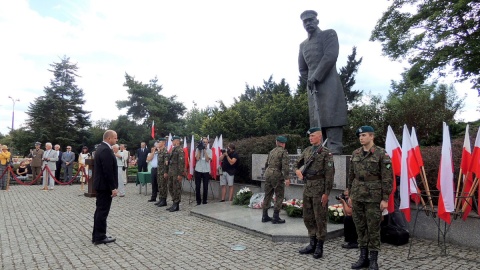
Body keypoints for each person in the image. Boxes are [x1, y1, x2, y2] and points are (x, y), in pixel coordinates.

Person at [298, 10, 348, 155]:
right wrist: (309, 79)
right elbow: (302, 68)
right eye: (305, 21)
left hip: (329, 82)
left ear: (317, 21)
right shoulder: (303, 45)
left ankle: (335, 148)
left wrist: (315, 77)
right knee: (317, 120)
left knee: (332, 114)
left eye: (311, 20)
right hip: (312, 87)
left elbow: (330, 56)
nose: (308, 23)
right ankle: (321, 150)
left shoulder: (329, 34)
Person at [348, 126, 392, 270]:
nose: (361, 138)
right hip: (358, 195)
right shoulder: (355, 153)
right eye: (360, 136)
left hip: (374, 197)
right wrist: (350, 195)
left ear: (372, 136)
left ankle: (373, 260)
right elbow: (351, 176)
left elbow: (387, 178)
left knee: (373, 228)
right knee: (360, 228)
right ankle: (363, 257)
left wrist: (385, 199)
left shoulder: (381, 154)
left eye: (364, 135)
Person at [295, 127, 334, 259]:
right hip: (307, 188)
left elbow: (330, 174)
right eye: (309, 136)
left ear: (319, 137)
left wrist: (326, 193)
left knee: (320, 218)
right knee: (308, 217)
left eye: (312, 136)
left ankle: (319, 246)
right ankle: (312, 243)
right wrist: (298, 172)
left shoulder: (326, 153)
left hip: (319, 189)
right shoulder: (307, 151)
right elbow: (296, 164)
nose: (310, 138)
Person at [92, 130, 118, 245]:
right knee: (102, 211)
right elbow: (108, 171)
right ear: (109, 138)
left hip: (101, 185)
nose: (116, 140)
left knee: (100, 211)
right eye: (115, 138)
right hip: (104, 186)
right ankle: (100, 236)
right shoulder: (106, 150)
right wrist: (113, 187)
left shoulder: (100, 148)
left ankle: (97, 234)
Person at [262, 136, 291, 224]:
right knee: (279, 195)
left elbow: (266, 163)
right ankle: (276, 217)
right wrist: (287, 178)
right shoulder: (283, 152)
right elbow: (285, 166)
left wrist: (267, 173)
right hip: (276, 174)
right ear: (283, 143)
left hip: (268, 173)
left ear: (276, 142)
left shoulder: (272, 151)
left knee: (267, 194)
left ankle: (264, 216)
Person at [166, 136, 185, 212]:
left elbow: (181, 163)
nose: (172, 142)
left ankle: (176, 204)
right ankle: (174, 201)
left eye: (173, 141)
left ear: (177, 141)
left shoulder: (180, 150)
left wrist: (180, 174)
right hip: (171, 172)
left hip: (176, 172)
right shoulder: (173, 149)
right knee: (170, 187)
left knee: (176, 188)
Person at [194, 137, 211, 205]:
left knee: (205, 186)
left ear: (208, 143)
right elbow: (197, 158)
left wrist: (204, 150)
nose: (205, 143)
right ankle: (198, 201)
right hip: (198, 169)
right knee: (197, 186)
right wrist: (199, 149)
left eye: (206, 142)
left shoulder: (210, 151)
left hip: (206, 170)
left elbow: (207, 159)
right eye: (203, 142)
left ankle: (204, 201)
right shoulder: (197, 149)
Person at [154, 138, 169, 207]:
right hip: (159, 171)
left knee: (163, 186)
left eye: (159, 142)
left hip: (163, 172)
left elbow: (166, 163)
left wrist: (166, 172)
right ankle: (160, 199)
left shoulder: (165, 151)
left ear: (163, 143)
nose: (158, 144)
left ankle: (164, 200)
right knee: (160, 186)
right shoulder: (160, 151)